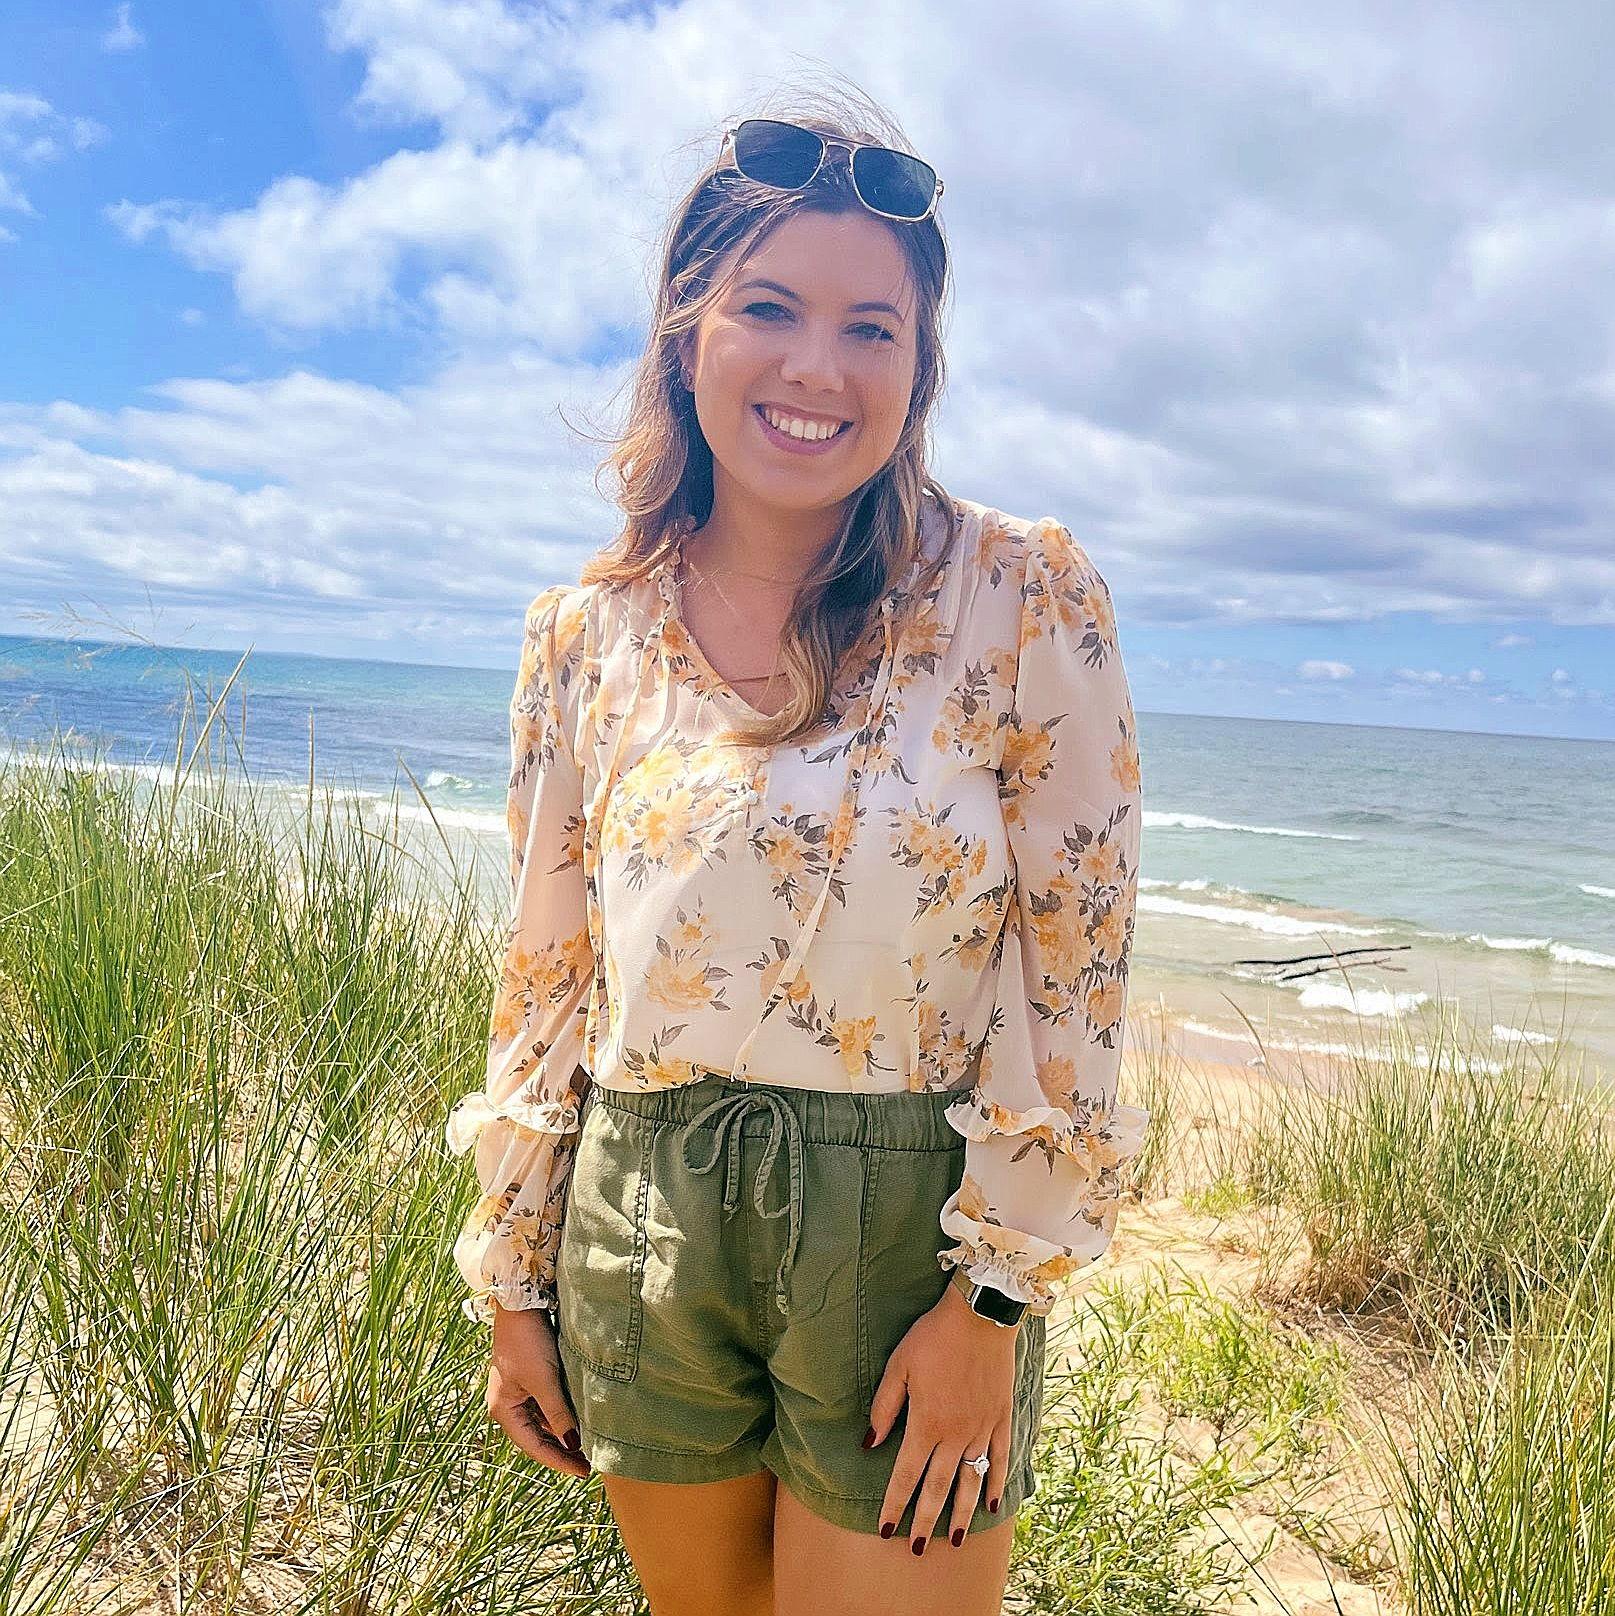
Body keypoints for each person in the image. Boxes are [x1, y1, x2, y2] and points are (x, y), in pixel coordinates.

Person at [444, 92, 1148, 1616]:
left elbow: (1076, 974)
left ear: (920, 364)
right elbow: (549, 973)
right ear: (687, 331)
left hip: (902, 1244)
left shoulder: (1019, 596)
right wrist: (513, 1274)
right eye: (769, 308)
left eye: (871, 328)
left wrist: (991, 1303)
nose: (818, 368)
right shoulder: (584, 635)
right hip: (640, 1219)